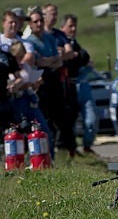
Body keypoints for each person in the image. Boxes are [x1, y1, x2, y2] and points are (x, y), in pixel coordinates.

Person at [23, 8, 65, 158]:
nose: (39, 24)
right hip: (39, 82)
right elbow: (39, 61)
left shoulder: (50, 38)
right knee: (43, 119)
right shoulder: (29, 42)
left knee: (58, 118)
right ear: (30, 24)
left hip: (54, 81)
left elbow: (59, 61)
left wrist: (50, 61)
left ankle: (56, 153)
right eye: (35, 21)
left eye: (41, 20)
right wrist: (51, 60)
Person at [59, 14, 95, 154]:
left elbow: (85, 58)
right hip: (68, 86)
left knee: (90, 119)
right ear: (62, 27)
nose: (73, 29)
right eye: (70, 26)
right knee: (70, 120)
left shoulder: (75, 44)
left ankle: (87, 146)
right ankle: (71, 149)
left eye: (75, 26)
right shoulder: (59, 43)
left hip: (83, 85)